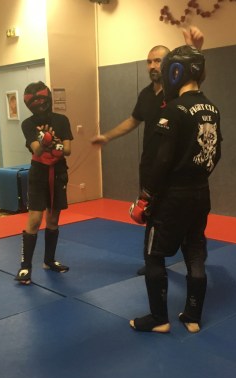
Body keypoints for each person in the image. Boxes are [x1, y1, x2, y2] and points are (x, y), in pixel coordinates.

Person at [91, 26, 205, 276]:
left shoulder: (177, 92)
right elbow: (133, 120)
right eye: (149, 61)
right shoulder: (145, 94)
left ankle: (192, 263)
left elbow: (194, 78)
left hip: (174, 167)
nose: (153, 65)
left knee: (180, 215)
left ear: (171, 64)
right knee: (149, 212)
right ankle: (154, 261)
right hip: (150, 165)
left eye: (158, 60)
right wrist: (107, 136)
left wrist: (194, 49)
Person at [128, 45, 221, 334]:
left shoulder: (175, 110)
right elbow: (215, 153)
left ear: (176, 72)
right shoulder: (212, 109)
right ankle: (192, 317)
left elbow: (163, 160)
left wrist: (145, 197)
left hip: (172, 197)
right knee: (194, 251)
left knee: (153, 255)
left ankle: (159, 319)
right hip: (200, 192)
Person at [14, 81, 73, 285]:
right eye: (35, 103)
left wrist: (54, 143)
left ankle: (49, 261)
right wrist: (45, 141)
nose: (40, 105)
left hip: (58, 172)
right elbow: (37, 150)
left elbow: (67, 150)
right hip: (38, 173)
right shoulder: (28, 124)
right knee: (35, 219)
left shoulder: (62, 120)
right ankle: (25, 267)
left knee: (53, 219)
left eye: (42, 101)